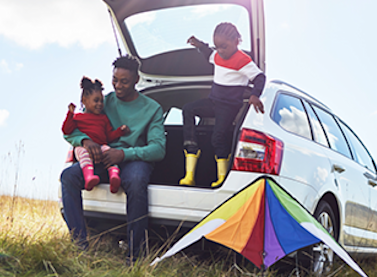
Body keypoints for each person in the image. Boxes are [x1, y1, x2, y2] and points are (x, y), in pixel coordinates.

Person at [60, 55, 167, 259]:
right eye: (115, 80)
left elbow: (158, 149)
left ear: (136, 80)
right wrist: (85, 141)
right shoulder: (102, 101)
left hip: (133, 159)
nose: (117, 86)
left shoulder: (152, 109)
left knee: (136, 181)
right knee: (68, 177)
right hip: (101, 156)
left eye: (124, 81)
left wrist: (123, 154)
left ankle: (135, 256)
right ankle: (80, 247)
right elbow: (74, 128)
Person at [179, 21, 265, 188]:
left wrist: (255, 95)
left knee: (218, 138)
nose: (220, 51)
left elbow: (260, 77)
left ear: (236, 41)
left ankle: (222, 178)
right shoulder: (217, 55)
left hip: (229, 106)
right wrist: (199, 44)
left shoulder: (243, 60)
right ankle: (190, 168)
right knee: (188, 109)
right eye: (217, 46)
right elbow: (208, 53)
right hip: (213, 102)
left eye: (224, 46)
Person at [61, 76, 131, 192]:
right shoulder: (78, 118)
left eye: (101, 101)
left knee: (109, 152)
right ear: (84, 101)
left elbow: (109, 136)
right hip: (84, 149)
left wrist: (120, 131)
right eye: (96, 100)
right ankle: (89, 177)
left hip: (100, 147)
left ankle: (114, 176)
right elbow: (67, 130)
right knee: (81, 151)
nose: (100, 104)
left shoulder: (103, 119)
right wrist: (70, 114)